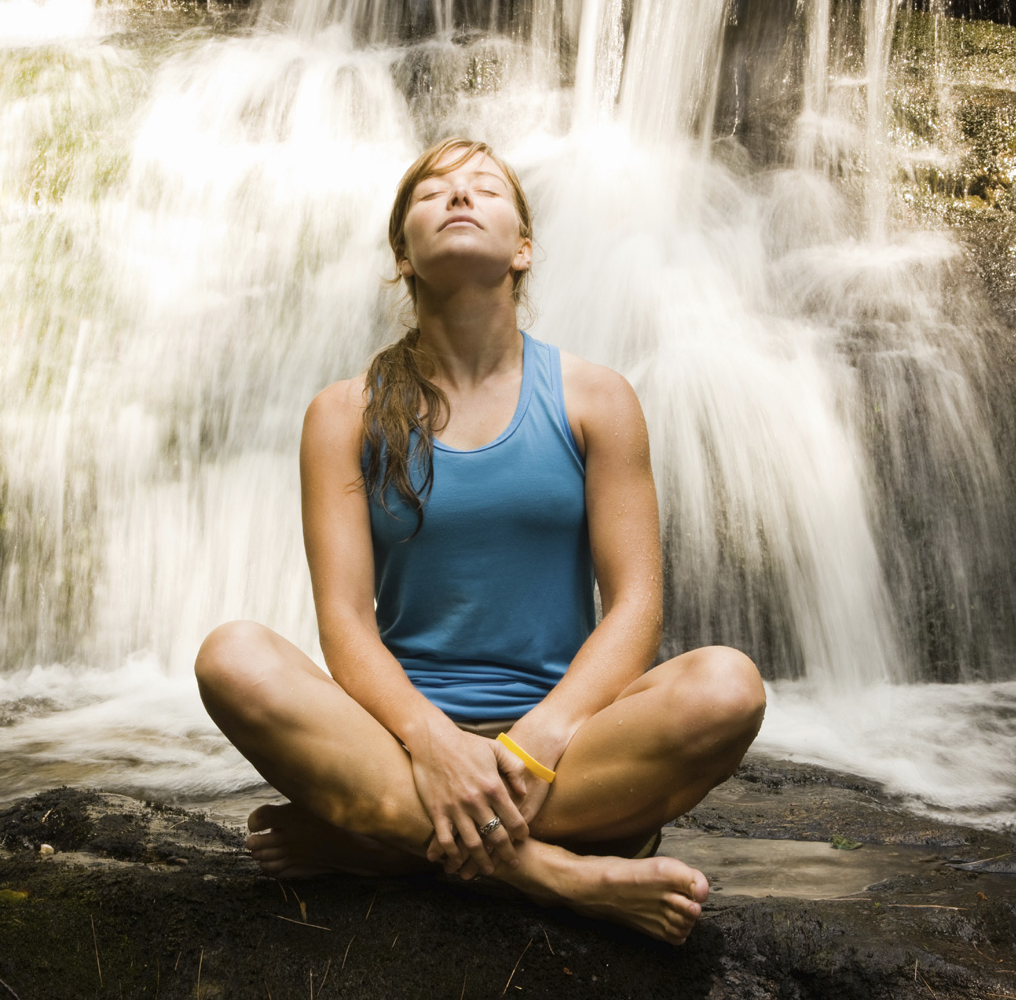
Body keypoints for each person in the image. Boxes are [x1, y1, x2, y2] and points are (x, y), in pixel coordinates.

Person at [194, 137, 766, 945]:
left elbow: (635, 605)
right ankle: (557, 869)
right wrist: (433, 745)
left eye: (485, 189)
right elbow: (346, 624)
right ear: (403, 255)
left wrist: (537, 740)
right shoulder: (342, 413)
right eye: (432, 193)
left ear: (523, 248)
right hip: (397, 741)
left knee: (728, 687)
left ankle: (384, 843)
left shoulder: (597, 399)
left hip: (564, 747)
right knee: (232, 656)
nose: (459, 198)